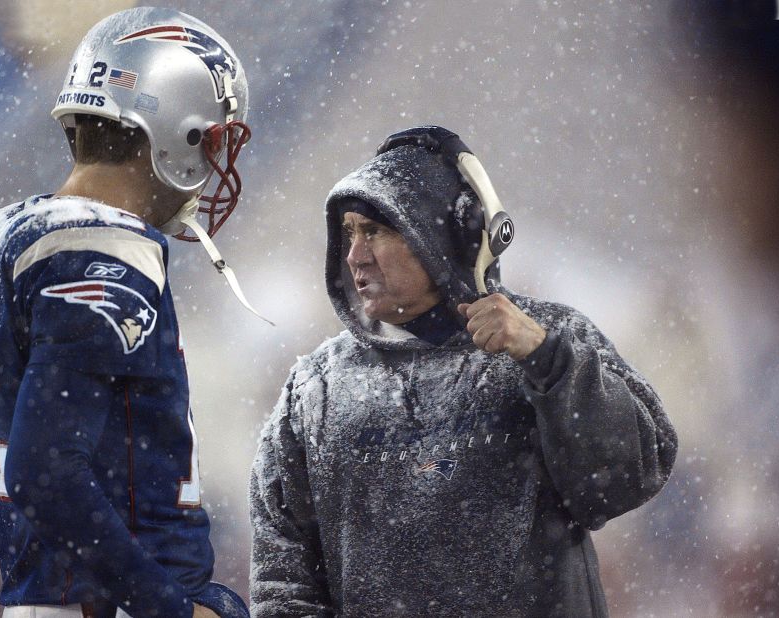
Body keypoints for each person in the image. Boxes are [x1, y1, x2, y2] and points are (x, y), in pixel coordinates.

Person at [249, 126, 678, 617]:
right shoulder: (316, 389)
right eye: (349, 232)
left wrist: (546, 360)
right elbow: (283, 585)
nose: (354, 255)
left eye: (375, 231)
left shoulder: (550, 337)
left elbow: (627, 479)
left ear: (440, 235)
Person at [0, 7, 254, 618]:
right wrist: (161, 601)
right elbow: (42, 474)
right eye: (215, 137)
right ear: (179, 132)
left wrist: (53, 560)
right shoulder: (101, 246)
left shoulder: (6, 231)